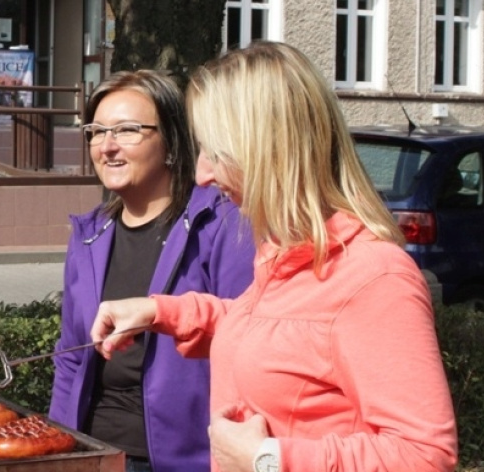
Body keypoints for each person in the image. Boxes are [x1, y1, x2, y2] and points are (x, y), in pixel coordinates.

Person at [90, 43, 457, 472]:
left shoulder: (375, 278)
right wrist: (160, 311)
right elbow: (279, 336)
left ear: (269, 150)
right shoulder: (285, 254)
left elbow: (425, 455)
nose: (203, 174)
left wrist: (267, 459)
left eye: (217, 152)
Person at [49, 70, 256, 472]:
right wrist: (59, 447)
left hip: (181, 459)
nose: (107, 146)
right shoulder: (89, 235)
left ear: (171, 144)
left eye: (127, 130)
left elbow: (248, 349)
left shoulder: (221, 225)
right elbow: (70, 357)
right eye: (96, 131)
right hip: (91, 451)